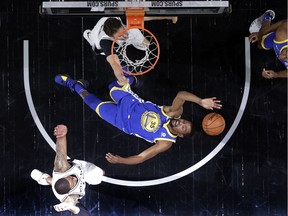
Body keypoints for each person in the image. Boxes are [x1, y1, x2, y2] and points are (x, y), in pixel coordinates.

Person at [54, 75, 222, 165]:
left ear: (181, 135)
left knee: (91, 102)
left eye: (183, 128)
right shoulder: (174, 113)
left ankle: (74, 84)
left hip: (121, 120)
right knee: (113, 85)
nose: (181, 123)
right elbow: (181, 95)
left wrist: (121, 160)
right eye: (184, 122)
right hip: (130, 101)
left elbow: (142, 157)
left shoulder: (166, 142)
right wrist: (200, 101)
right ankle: (133, 79)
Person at [31, 124, 105, 215]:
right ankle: (46, 179)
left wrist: (61, 135)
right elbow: (83, 213)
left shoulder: (62, 169)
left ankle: (45, 179)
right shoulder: (71, 197)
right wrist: (71, 207)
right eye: (73, 181)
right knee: (99, 177)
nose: (73, 178)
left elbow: (60, 152)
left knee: (53, 181)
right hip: (81, 177)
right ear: (70, 190)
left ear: (64, 177)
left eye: (70, 177)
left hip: (78, 166)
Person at [83, 16, 178, 85]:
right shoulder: (105, 42)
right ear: (112, 37)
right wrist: (120, 77)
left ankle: (131, 38)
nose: (125, 36)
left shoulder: (120, 20)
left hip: (110, 22)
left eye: (123, 31)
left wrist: (168, 16)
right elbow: (114, 63)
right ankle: (89, 35)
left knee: (145, 42)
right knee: (116, 58)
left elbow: (143, 18)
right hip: (96, 42)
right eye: (120, 36)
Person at [248, 10, 288, 79]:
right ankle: (267, 16)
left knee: (260, 45)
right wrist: (260, 34)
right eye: (286, 56)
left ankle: (269, 30)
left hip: (280, 40)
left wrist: (275, 74)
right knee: (260, 42)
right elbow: (284, 23)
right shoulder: (282, 34)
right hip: (280, 35)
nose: (281, 57)